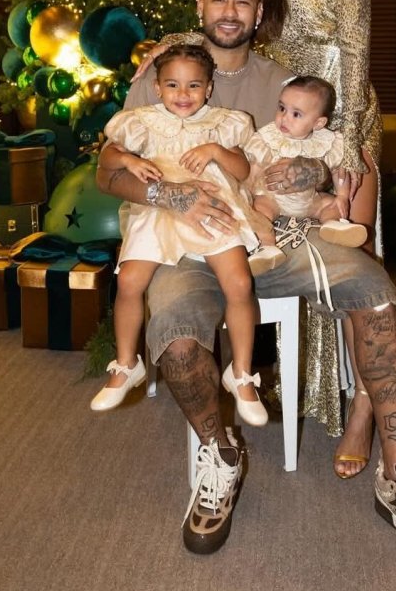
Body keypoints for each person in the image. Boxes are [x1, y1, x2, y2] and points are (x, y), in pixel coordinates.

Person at [97, 0, 396, 568]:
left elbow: (323, 151)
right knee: (179, 342)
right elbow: (108, 172)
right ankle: (220, 455)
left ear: (259, 10)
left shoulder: (282, 81)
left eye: (242, 1)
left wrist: (312, 175)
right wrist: (166, 195)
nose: (230, 12)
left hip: (277, 238)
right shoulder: (159, 76)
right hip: (185, 244)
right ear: (200, 6)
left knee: (373, 291)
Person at [245, 0, 384, 479]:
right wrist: (172, 42)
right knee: (307, 259)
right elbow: (229, 26)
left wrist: (348, 144)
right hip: (292, 132)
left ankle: (363, 412)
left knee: (357, 268)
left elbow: (355, 50)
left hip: (344, 123)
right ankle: (321, 389)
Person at [89, 43, 273, 427]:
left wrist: (217, 152)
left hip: (213, 209)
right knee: (129, 280)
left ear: (209, 88)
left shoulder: (223, 123)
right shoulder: (141, 121)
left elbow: (242, 171)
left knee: (239, 282)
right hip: (160, 211)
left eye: (194, 85)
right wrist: (128, 160)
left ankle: (241, 374)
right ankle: (126, 364)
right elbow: (107, 158)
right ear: (157, 87)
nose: (183, 94)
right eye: (172, 85)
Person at [246, 74, 368, 248]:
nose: (284, 118)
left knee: (331, 204)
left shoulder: (327, 142)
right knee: (259, 210)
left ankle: (333, 225)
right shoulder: (268, 138)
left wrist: (342, 196)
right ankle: (266, 245)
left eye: (296, 114)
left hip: (310, 201)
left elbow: (338, 171)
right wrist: (248, 191)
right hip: (273, 197)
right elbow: (255, 167)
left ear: (318, 123)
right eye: (282, 108)